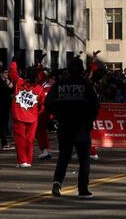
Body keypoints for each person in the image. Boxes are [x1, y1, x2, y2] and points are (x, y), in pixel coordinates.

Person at [46, 58, 100, 199]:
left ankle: (57, 181)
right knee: (84, 160)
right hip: (82, 126)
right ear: (81, 70)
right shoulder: (86, 85)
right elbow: (95, 105)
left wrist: (58, 115)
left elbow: (48, 103)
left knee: (63, 157)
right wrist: (90, 120)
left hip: (65, 126)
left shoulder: (59, 85)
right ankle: (82, 189)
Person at [9, 60, 46, 168]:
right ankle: (28, 161)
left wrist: (14, 61)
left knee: (20, 140)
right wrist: (38, 112)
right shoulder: (39, 89)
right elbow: (43, 104)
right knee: (30, 140)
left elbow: (13, 71)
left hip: (19, 116)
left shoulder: (19, 83)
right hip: (33, 118)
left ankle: (22, 161)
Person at [0, 66, 14, 151]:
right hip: (0, 106)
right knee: (0, 125)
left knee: (2, 125)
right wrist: (9, 87)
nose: (7, 74)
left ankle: (0, 143)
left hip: (5, 106)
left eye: (8, 72)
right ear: (1, 74)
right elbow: (2, 93)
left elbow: (10, 92)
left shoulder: (5, 81)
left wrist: (9, 86)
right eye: (5, 73)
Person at [36, 69, 55, 160]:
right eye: (52, 78)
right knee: (40, 130)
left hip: (47, 112)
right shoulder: (43, 86)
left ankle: (46, 150)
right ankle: (45, 150)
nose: (53, 80)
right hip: (46, 112)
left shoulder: (51, 87)